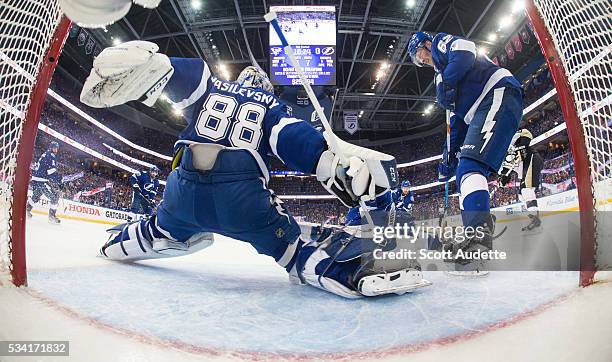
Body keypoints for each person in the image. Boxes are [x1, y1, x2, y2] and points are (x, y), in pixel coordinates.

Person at [80, 41, 429, 298]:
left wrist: (150, 64)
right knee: (294, 251)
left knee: (158, 228)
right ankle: (354, 273)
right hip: (242, 197)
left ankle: (116, 243)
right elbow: (298, 143)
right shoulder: (273, 107)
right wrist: (333, 163)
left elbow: (171, 72)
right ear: (264, 87)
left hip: (182, 189)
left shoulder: (209, 85)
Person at [408, 32, 523, 260]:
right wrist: (447, 158)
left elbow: (466, 49)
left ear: (426, 44)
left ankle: (479, 236)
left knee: (471, 165)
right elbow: (456, 123)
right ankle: (473, 233)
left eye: (418, 54)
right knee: (464, 170)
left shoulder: (441, 45)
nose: (420, 60)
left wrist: (447, 83)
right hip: (480, 109)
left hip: (497, 92)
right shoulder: (439, 77)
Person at [499, 129, 543, 231]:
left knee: (526, 190)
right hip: (524, 168)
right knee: (522, 195)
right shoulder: (499, 157)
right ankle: (533, 218)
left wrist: (521, 145)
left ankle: (536, 221)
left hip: (531, 160)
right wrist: (503, 179)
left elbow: (527, 133)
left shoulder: (509, 137)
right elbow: (505, 174)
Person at [27, 141, 63, 224]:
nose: (56, 150)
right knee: (54, 197)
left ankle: (27, 210)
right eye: (55, 148)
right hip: (41, 180)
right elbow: (51, 171)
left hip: (36, 179)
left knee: (36, 195)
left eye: (57, 148)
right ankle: (51, 217)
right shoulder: (51, 156)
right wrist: (59, 179)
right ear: (51, 147)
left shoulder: (45, 154)